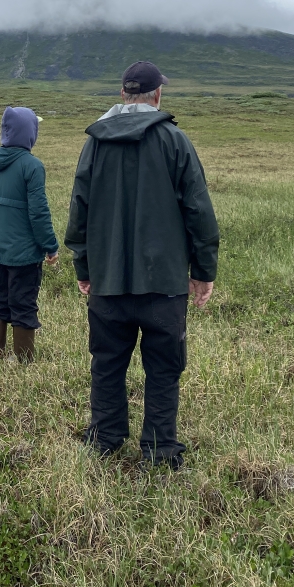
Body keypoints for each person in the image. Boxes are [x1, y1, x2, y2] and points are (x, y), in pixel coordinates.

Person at [64, 61, 219, 468]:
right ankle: (160, 451)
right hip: (164, 284)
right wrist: (203, 272)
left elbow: (78, 210)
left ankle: (104, 439)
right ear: (157, 95)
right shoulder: (175, 140)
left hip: (107, 284)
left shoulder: (94, 143)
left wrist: (84, 267)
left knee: (107, 362)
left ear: (123, 96)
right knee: (164, 369)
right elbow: (199, 211)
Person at [0, 106, 59, 362]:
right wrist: (50, 246)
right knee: (24, 305)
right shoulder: (33, 166)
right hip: (25, 254)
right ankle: (23, 363)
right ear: (29, 133)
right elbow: (39, 213)